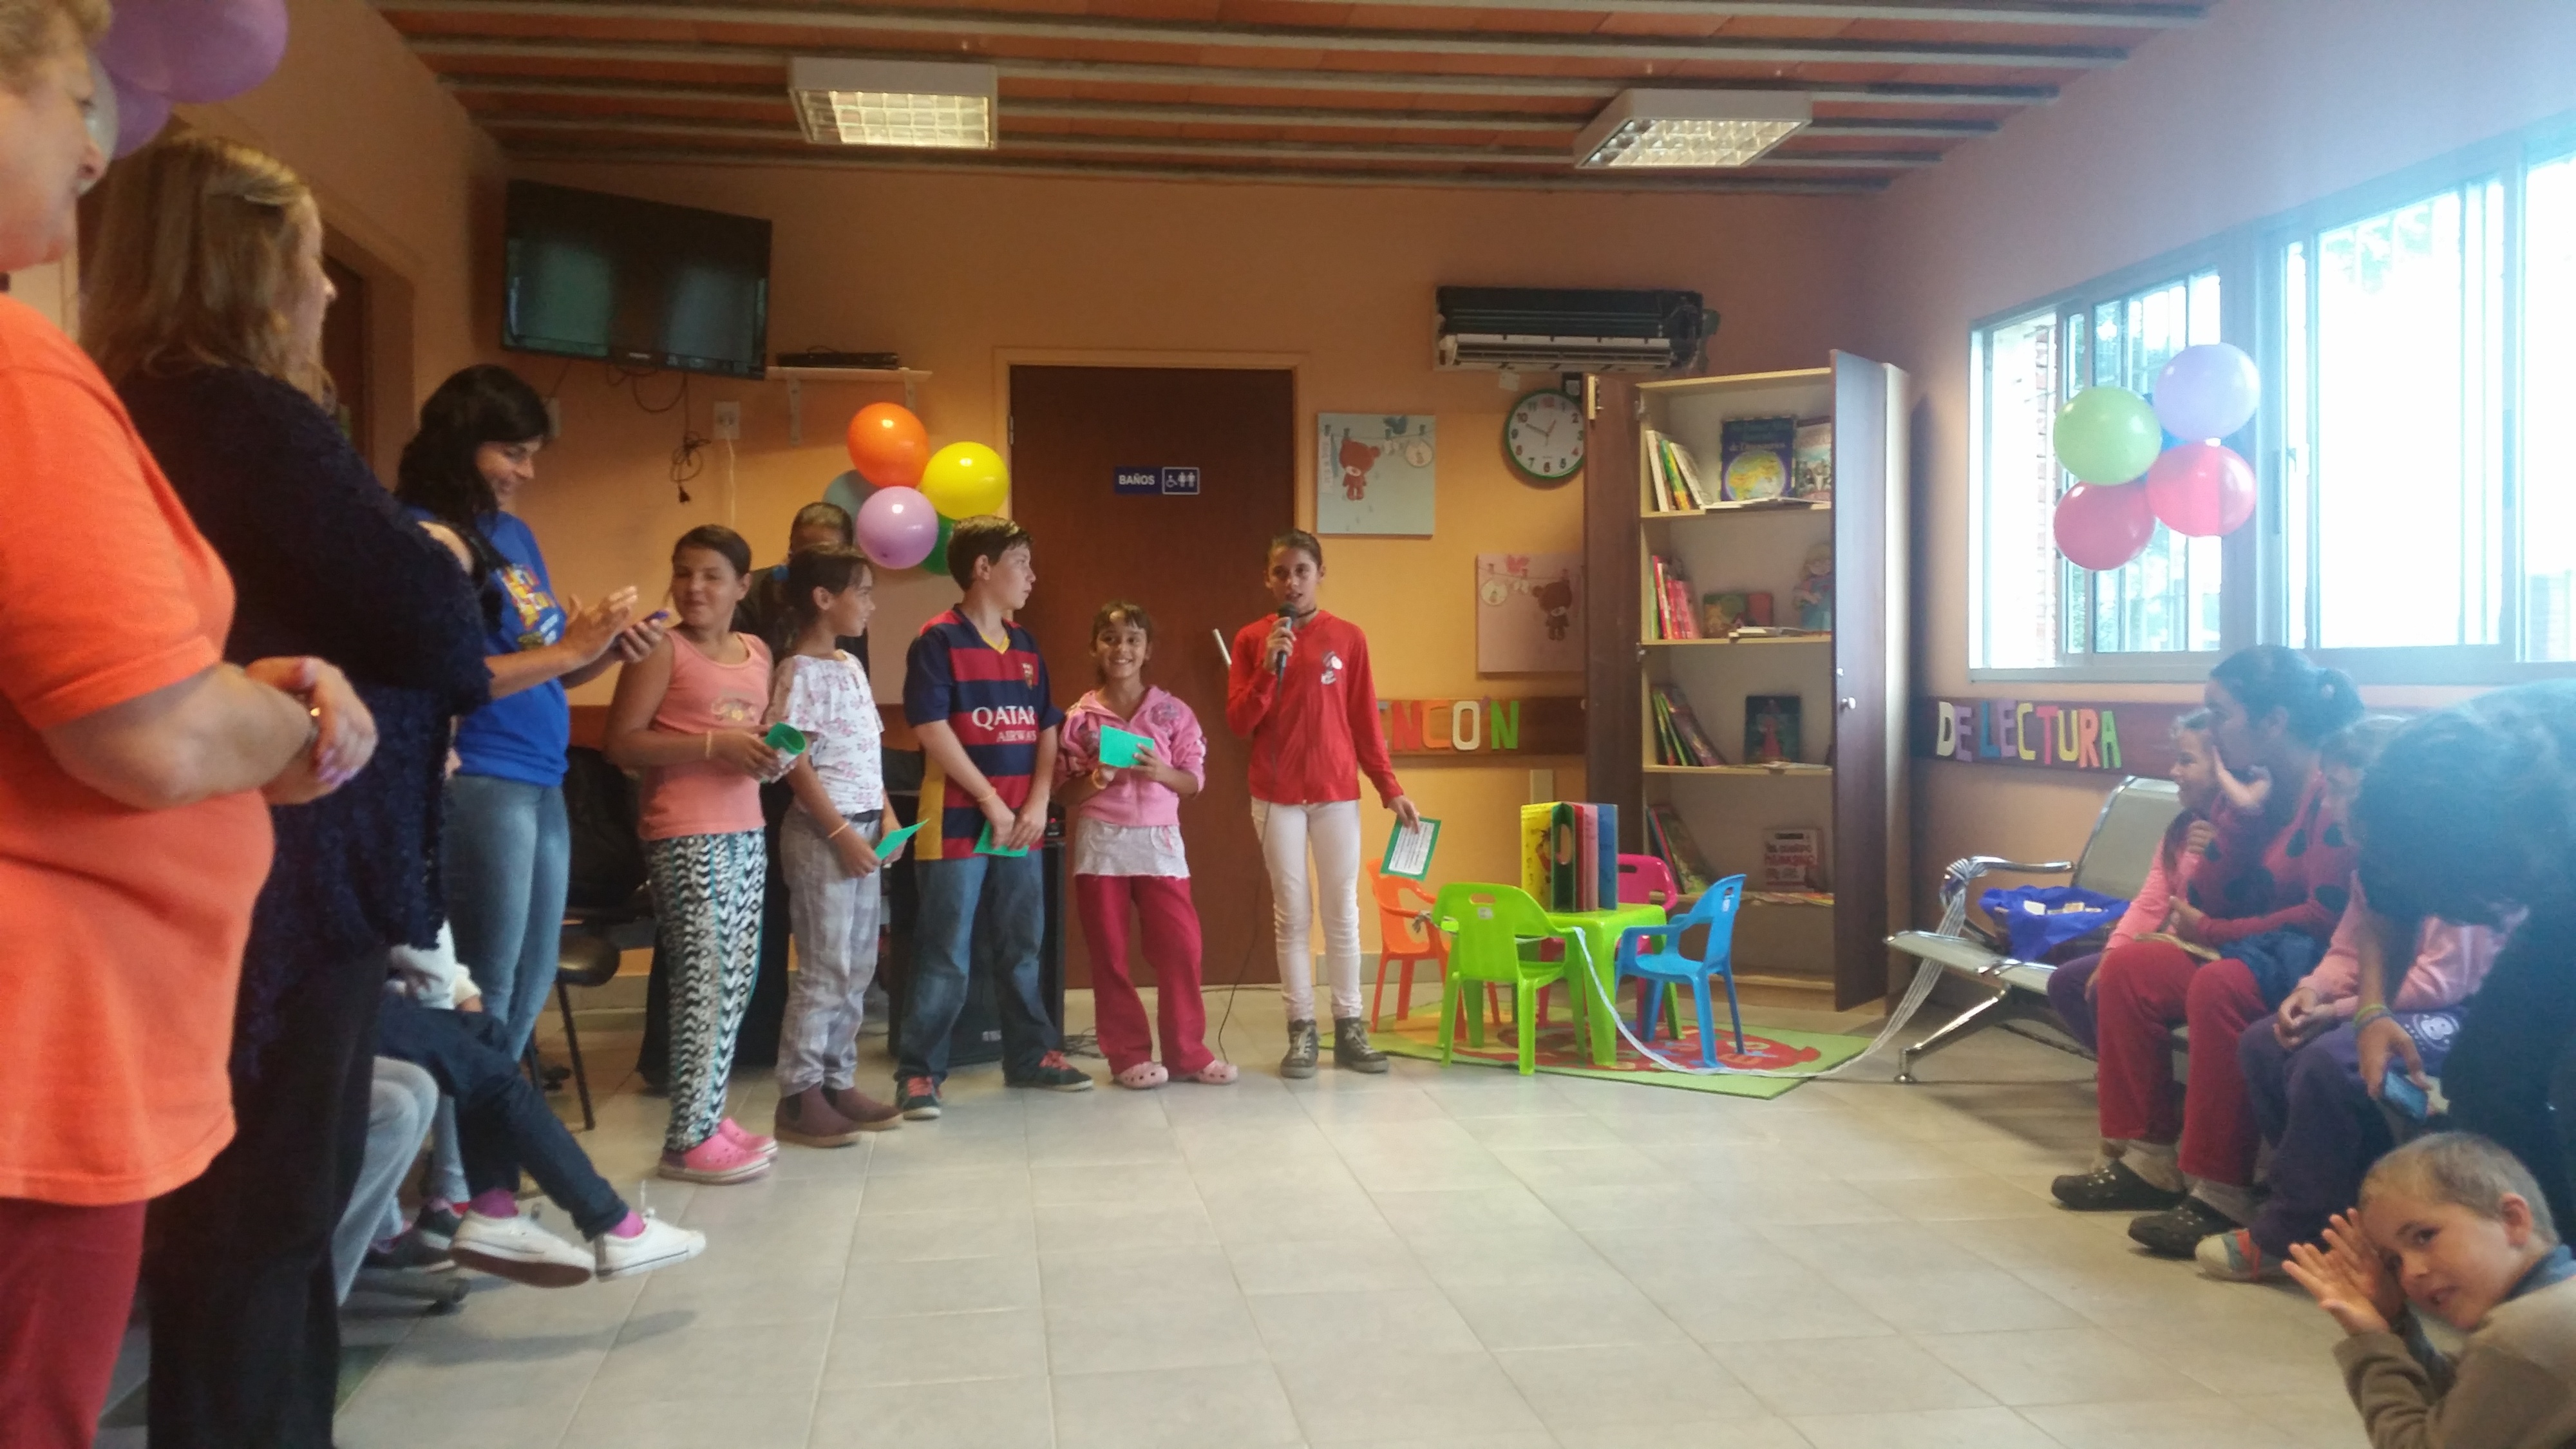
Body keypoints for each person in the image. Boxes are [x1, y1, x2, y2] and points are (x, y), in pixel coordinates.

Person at [85, 133, 490, 1449]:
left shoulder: (139, 408)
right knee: (265, 1221)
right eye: (310, 266)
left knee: (253, 1221)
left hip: (237, 862)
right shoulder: (241, 416)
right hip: (287, 876)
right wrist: (435, 554)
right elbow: (440, 627)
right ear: (246, 268)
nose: (323, 295)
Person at [0, 15, 371, 1443]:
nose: (97, 149)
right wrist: (295, 717)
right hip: (38, 1033)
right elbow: (148, 733)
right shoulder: (25, 376)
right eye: (69, 101)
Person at [2051, 645, 2363, 1257]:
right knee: (2130, 969)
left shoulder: (2330, 794)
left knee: (2223, 985)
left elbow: (2324, 917)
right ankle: (2148, 1160)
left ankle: (2221, 1190)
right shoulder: (2241, 787)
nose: (2211, 728)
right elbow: (2201, 895)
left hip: (2319, 960)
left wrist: (2217, 933)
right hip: (2247, 944)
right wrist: (2241, 816)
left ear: (2273, 722)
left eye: (2220, 713)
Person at [397, 364, 663, 1061]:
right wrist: (571, 647)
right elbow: (445, 682)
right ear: (462, 445)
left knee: (529, 977)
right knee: (484, 982)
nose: (526, 472)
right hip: (480, 776)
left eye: (532, 455)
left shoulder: (512, 535)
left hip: (543, 775)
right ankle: (465, 1135)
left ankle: (494, 1119)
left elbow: (549, 669)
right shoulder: (426, 539)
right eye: (512, 453)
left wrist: (604, 651)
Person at [2353, 681, 2576, 1231]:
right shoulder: (2404, 805)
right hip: (2556, 911)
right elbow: (2386, 903)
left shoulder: (2547, 806)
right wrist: (2373, 1012)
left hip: (2560, 880)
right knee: (2482, 1080)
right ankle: (2546, 1252)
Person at [2204, 882, 2506, 1283]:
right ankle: (2330, 1214)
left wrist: (2338, 1012)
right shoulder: (2375, 868)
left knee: (2328, 1062)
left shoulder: (2470, 870)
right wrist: (2311, 991)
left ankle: (2291, 1232)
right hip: (2383, 1000)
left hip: (2464, 1011)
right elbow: (2349, 950)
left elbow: (2440, 983)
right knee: (2264, 1044)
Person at [895, 514, 1092, 1119]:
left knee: (1022, 945)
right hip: (958, 822)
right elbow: (930, 727)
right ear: (983, 568)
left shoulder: (1025, 645)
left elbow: (1046, 727)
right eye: (1021, 563)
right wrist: (990, 802)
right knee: (945, 953)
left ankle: (1030, 1056)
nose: (1032, 576)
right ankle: (919, 1073)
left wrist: (1036, 802)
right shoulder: (938, 640)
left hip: (1020, 826)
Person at [605, 525, 785, 1184]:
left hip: (746, 826)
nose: (694, 587)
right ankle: (686, 1139)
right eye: (683, 572)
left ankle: (708, 1115)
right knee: (702, 980)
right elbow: (622, 743)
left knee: (735, 980)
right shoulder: (661, 647)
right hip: (684, 831)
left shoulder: (757, 651)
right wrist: (714, 746)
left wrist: (766, 750)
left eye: (711, 575)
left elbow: (747, 732)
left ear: (742, 586)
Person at [374, 928, 705, 1283]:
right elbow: (408, 923)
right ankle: (613, 1224)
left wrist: (458, 987)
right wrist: (446, 991)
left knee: (487, 1034)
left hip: (359, 1000)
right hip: (343, 1012)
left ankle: (493, 1207)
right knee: (487, 1069)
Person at [1226, 529, 1421, 1079]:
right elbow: (1239, 721)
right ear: (1268, 579)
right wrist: (1267, 667)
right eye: (1281, 572)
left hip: (1335, 794)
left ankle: (1350, 1026)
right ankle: (1301, 1030)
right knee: (1292, 914)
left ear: (1319, 574)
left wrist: (1389, 787)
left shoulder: (1349, 638)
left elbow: (1363, 721)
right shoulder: (1252, 639)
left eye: (1301, 571)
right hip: (1276, 796)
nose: (1291, 582)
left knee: (1342, 910)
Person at [2287, 1133, 2576, 1449]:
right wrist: (2394, 1323)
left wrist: (2371, 1342)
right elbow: (2470, 1408)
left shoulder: (2522, 1336)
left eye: (2424, 1236)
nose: (2411, 1273)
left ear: (2512, 1219)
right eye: (2394, 1262)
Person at [1056, 601, 1236, 1090]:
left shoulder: (1173, 713)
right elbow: (1063, 794)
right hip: (1102, 844)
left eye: (1133, 640)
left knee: (1181, 948)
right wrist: (1098, 778)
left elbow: (1194, 781)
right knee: (1110, 955)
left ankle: (1188, 1053)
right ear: (1095, 647)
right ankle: (1128, 1056)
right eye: (1111, 639)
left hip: (1159, 842)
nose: (1122, 649)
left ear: (1148, 649)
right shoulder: (1078, 720)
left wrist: (1162, 772)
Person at [767, 544, 907, 1144]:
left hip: (863, 827)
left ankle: (836, 1079)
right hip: (824, 836)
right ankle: (799, 1097)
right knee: (824, 969)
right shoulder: (798, 671)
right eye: (864, 592)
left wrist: (888, 818)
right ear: (824, 599)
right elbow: (793, 761)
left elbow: (866, 753)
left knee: (858, 964)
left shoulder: (849, 665)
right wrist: (842, 833)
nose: (872, 604)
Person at [2046, 710, 2228, 1050]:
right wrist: (2112, 954)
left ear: (2223, 768)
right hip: (2172, 947)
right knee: (2068, 984)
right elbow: (2150, 903)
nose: (2174, 772)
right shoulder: (2181, 829)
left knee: (2116, 982)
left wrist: (2220, 853)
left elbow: (2226, 907)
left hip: (2215, 955)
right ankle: (2123, 1068)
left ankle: (2135, 1074)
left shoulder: (2242, 832)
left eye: (2186, 761)